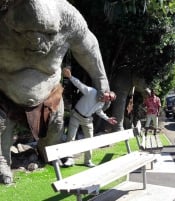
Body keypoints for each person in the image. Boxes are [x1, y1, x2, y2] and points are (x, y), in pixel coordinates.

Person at [0, 0, 110, 184]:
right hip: (4, 91)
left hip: (50, 95)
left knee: (56, 127)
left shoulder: (69, 17)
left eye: (46, 35)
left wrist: (102, 81)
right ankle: (3, 161)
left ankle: (48, 154)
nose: (35, 42)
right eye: (23, 34)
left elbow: (88, 47)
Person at [62, 68, 117, 167]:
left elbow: (99, 112)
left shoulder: (101, 104)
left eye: (110, 99)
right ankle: (69, 159)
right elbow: (79, 84)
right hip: (76, 115)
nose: (108, 99)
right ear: (106, 92)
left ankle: (88, 161)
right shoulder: (92, 92)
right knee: (71, 138)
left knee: (90, 140)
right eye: (109, 96)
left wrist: (108, 119)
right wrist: (70, 76)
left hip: (87, 120)